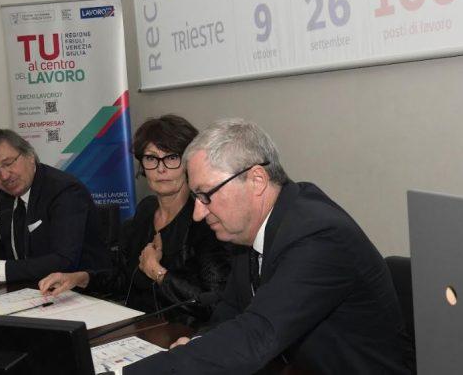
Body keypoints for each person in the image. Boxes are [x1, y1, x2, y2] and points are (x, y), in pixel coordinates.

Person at [124, 118, 414, 374]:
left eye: (205, 195)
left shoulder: (319, 236)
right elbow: (231, 312)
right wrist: (198, 343)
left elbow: (256, 336)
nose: (198, 213)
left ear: (257, 180)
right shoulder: (250, 229)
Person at [38, 115, 229, 325]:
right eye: (151, 158)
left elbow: (215, 305)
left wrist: (157, 271)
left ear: (189, 164)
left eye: (172, 157)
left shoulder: (206, 221)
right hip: (136, 329)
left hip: (185, 334)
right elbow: (124, 279)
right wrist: (80, 278)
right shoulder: (145, 211)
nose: (161, 169)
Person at [0, 129, 111, 285]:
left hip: (87, 293)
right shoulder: (6, 195)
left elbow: (64, 261)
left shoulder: (65, 191)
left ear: (30, 156)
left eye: (8, 163)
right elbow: (13, 249)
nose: (4, 176)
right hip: (35, 289)